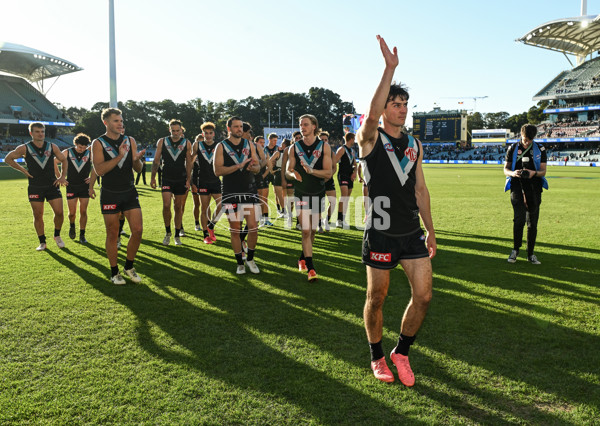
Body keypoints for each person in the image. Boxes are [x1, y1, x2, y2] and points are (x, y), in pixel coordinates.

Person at [358, 36, 436, 386]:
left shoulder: (415, 144)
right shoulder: (370, 139)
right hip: (380, 230)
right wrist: (389, 69)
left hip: (410, 232)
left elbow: (420, 188)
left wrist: (431, 229)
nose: (402, 109)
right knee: (377, 298)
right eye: (395, 103)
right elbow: (371, 115)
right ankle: (376, 356)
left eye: (405, 103)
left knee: (424, 296)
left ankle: (400, 351)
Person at [90, 107, 146, 285]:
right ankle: (114, 272)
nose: (120, 124)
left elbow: (138, 169)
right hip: (110, 193)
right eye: (116, 121)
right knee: (113, 233)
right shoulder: (98, 143)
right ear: (106, 122)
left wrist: (137, 160)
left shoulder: (130, 140)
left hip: (129, 191)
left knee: (137, 230)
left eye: (121, 120)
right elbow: (99, 170)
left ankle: (129, 266)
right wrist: (119, 156)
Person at [5, 122, 68, 250]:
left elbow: (64, 159)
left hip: (52, 185)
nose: (41, 134)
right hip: (35, 186)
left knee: (60, 213)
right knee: (38, 215)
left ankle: (57, 235)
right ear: (31, 133)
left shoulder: (52, 146)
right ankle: (42, 242)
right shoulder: (24, 148)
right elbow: (8, 159)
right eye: (37, 131)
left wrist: (62, 176)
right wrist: (24, 171)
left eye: (42, 131)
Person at [286, 114, 333, 281]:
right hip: (301, 193)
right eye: (300, 124)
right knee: (306, 230)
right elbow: (287, 170)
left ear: (314, 126)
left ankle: (302, 257)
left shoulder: (324, 147)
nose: (302, 127)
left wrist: (312, 171)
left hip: (318, 192)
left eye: (305, 124)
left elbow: (328, 173)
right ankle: (311, 269)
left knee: (312, 230)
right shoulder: (294, 147)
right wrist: (293, 174)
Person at [213, 116, 261, 274]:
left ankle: (251, 259)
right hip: (230, 191)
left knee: (253, 227)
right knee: (235, 229)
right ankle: (239, 262)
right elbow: (218, 171)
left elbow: (257, 167)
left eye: (241, 126)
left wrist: (252, 168)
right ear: (229, 129)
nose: (239, 129)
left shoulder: (249, 144)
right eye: (236, 127)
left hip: (249, 190)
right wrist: (238, 165)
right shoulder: (221, 146)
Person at [503, 123, 548, 264]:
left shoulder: (540, 149)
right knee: (519, 219)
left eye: (529, 139)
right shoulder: (513, 148)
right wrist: (513, 173)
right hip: (516, 186)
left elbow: (543, 171)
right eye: (524, 139)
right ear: (520, 135)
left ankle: (530, 254)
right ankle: (515, 250)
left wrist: (534, 173)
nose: (526, 142)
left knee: (532, 222)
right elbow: (505, 169)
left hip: (534, 188)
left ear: (534, 137)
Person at [150, 119, 193, 246]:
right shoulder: (162, 141)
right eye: (173, 130)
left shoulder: (187, 143)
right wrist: (153, 177)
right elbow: (156, 160)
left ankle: (176, 235)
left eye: (177, 130)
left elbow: (189, 162)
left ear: (181, 130)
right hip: (167, 178)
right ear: (169, 130)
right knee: (166, 205)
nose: (175, 133)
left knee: (178, 207)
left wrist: (189, 179)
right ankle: (167, 232)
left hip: (181, 178)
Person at [57, 133, 97, 244]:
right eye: (80, 147)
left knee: (83, 211)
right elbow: (54, 162)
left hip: (84, 186)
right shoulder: (67, 152)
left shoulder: (90, 154)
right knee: (72, 213)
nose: (82, 149)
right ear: (75, 144)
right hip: (71, 186)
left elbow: (99, 165)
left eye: (84, 147)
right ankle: (72, 226)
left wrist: (92, 177)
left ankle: (82, 235)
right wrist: (61, 177)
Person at [191, 124, 221, 244]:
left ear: (213, 134)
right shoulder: (197, 145)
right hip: (202, 181)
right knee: (204, 208)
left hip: (216, 180)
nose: (208, 135)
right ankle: (205, 235)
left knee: (222, 205)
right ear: (202, 134)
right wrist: (190, 179)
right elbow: (191, 162)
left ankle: (211, 225)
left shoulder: (219, 145)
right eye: (206, 133)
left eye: (210, 133)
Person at [335, 132, 357, 229]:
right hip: (343, 175)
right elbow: (334, 161)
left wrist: (355, 172)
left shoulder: (352, 151)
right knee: (343, 197)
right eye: (354, 139)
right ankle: (338, 220)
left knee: (347, 198)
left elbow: (355, 164)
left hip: (349, 176)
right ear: (351, 139)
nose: (355, 141)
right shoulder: (342, 149)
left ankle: (343, 218)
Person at [319, 131, 336, 233]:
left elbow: (334, 167)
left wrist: (329, 176)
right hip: (318, 180)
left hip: (329, 180)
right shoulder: (315, 153)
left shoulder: (331, 152)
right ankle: (319, 223)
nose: (324, 141)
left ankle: (326, 220)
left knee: (333, 202)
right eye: (322, 140)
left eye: (326, 140)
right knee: (319, 204)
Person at [254, 135, 274, 227]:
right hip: (253, 179)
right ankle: (257, 220)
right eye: (260, 142)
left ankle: (266, 219)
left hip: (263, 178)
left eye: (263, 142)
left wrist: (263, 176)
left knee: (264, 199)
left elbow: (269, 166)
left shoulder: (265, 152)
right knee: (257, 200)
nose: (262, 144)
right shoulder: (252, 151)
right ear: (256, 143)